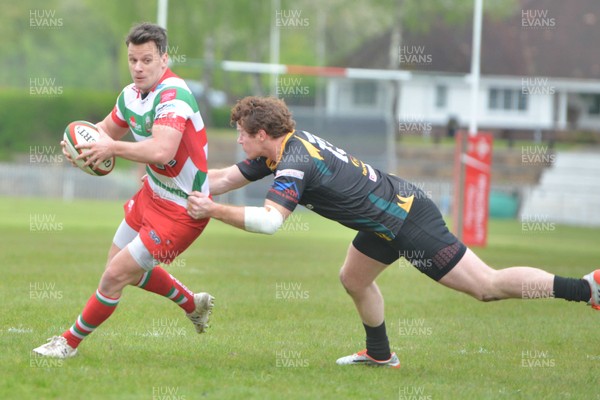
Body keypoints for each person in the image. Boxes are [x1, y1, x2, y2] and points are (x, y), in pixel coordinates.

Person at [186, 95, 600, 369]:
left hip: (405, 220)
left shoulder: (294, 160)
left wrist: (211, 211)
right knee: (353, 278)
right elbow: (221, 178)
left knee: (486, 286)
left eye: (242, 133)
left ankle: (586, 289)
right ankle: (381, 355)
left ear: (261, 134)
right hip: (384, 219)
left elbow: (270, 221)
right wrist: (172, 180)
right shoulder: (278, 149)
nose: (238, 139)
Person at [33, 23, 215, 358]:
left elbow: (162, 151)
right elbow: (103, 131)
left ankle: (67, 343)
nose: (138, 67)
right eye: (133, 60)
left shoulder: (174, 95)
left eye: (147, 60)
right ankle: (193, 303)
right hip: (152, 194)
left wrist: (111, 149)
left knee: (114, 276)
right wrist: (79, 147)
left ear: (164, 59)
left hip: (183, 210)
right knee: (118, 267)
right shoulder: (129, 95)